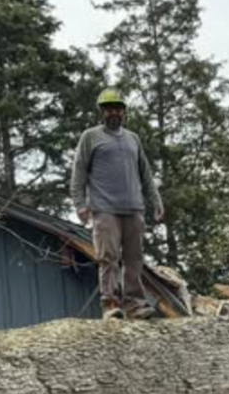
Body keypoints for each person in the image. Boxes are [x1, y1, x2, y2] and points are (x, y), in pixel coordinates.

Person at [70, 88, 164, 320]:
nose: (114, 112)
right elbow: (79, 172)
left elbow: (145, 172)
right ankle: (110, 303)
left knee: (134, 259)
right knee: (108, 257)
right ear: (102, 112)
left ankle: (134, 304)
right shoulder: (90, 137)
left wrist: (156, 200)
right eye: (109, 108)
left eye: (118, 108)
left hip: (134, 208)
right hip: (104, 209)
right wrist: (80, 203)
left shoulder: (133, 139)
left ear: (124, 111)